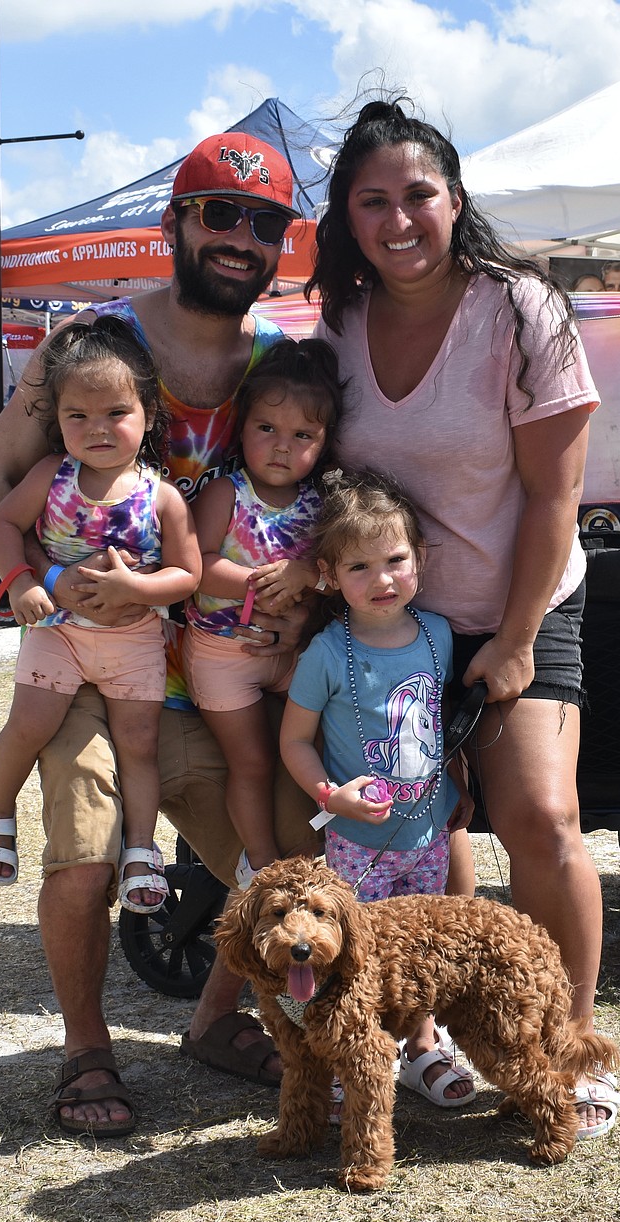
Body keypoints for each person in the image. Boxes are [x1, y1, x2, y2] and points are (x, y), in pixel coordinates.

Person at [0, 130, 319, 1135]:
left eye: (264, 223)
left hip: (213, 674)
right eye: (220, 214)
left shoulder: (277, 365)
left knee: (278, 860)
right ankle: (87, 1053)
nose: (240, 238)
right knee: (82, 858)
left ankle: (214, 1021)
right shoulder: (89, 341)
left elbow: (325, 497)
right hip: (90, 665)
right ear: (176, 223)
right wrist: (35, 581)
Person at [305, 98, 620, 1138]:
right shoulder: (340, 325)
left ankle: (567, 1050)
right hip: (400, 622)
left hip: (525, 603)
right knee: (409, 834)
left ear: (455, 199)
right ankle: (425, 1037)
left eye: (418, 195)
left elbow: (552, 498)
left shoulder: (520, 308)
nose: (399, 219)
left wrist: (519, 637)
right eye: (372, 201)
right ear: (348, 219)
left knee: (539, 818)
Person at [0, 314, 201, 916]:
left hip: (135, 643)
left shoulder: (163, 496)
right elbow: (2, 525)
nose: (97, 429)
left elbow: (188, 574)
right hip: (60, 633)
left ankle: (142, 851)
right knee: (31, 724)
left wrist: (137, 586)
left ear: (147, 412)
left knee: (139, 746)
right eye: (78, 416)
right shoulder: (52, 475)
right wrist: (24, 579)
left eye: (115, 413)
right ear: (58, 422)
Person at [281, 468, 476, 1106]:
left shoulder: (439, 635)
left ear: (419, 558)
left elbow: (439, 721)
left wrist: (458, 780)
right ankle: (351, 1059)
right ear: (330, 575)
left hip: (427, 831)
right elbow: (295, 741)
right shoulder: (326, 655)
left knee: (418, 949)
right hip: (355, 844)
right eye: (359, 567)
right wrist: (328, 795)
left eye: (395, 560)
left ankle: (421, 1044)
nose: (382, 579)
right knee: (352, 953)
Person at [183, 338, 343, 885]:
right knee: (250, 762)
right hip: (221, 654)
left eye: (303, 435)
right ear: (241, 426)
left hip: (293, 653)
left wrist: (308, 576)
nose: (281, 447)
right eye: (266, 429)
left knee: (332, 733)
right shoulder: (225, 493)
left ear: (323, 444)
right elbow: (196, 565)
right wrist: (258, 581)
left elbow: (338, 574)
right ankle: (261, 861)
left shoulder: (322, 504)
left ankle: (335, 831)